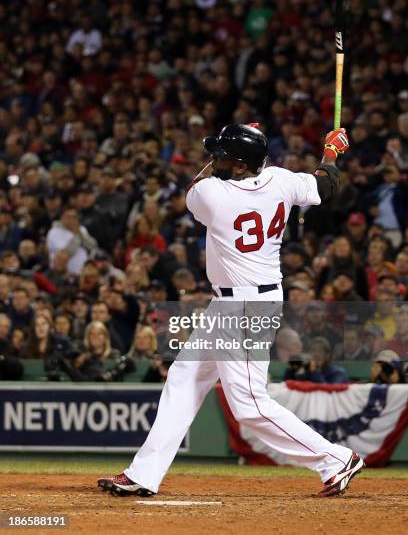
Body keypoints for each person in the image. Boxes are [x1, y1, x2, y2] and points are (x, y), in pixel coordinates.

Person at [98, 123, 364, 498]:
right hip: (240, 302)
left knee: (249, 405)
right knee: (185, 378)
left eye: (222, 155)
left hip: (244, 305)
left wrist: (233, 150)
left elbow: (192, 189)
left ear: (240, 165)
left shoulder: (212, 193)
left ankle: (334, 458)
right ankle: (145, 472)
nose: (215, 159)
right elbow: (324, 185)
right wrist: (331, 153)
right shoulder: (282, 180)